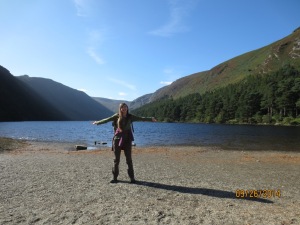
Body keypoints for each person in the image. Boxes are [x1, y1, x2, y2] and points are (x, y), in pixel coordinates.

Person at [93, 103, 156, 183]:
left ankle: (132, 178)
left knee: (129, 159)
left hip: (127, 139)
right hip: (117, 139)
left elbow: (141, 118)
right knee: (116, 160)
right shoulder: (116, 116)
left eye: (125, 107)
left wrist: (150, 119)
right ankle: (115, 178)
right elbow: (107, 120)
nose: (124, 108)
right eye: (122, 107)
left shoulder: (130, 116)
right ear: (120, 108)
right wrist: (98, 122)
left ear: (127, 108)